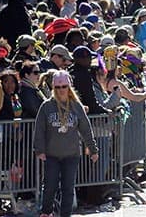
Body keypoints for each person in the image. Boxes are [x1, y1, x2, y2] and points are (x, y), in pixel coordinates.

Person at [34, 70, 98, 217]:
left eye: (64, 86)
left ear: (69, 87)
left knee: (68, 188)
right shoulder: (46, 106)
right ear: (53, 88)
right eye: (58, 87)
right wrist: (40, 150)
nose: (61, 90)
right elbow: (39, 129)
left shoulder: (76, 106)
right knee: (50, 186)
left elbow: (86, 129)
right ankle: (46, 212)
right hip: (51, 155)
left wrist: (93, 149)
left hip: (71, 154)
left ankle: (65, 214)